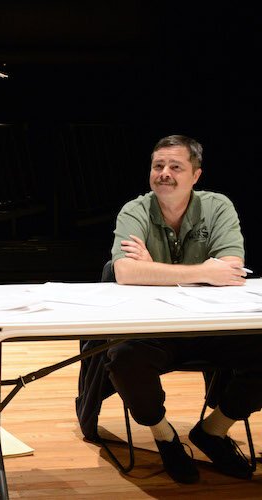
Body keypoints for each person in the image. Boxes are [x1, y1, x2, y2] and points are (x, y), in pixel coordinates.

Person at [105, 134, 259, 483]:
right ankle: (165, 437)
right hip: (153, 330)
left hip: (213, 327)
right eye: (158, 166)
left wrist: (154, 271)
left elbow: (232, 268)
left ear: (196, 176)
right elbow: (126, 272)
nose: (164, 173)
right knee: (122, 357)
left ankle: (213, 431)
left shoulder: (218, 206)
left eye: (176, 167)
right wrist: (205, 272)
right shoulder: (135, 210)